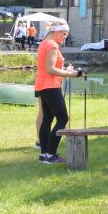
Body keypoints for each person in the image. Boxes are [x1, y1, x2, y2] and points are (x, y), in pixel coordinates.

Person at [35, 19, 83, 164]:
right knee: (63, 118)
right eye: (64, 34)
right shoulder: (52, 45)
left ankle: (44, 155)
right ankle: (51, 155)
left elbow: (48, 67)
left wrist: (65, 70)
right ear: (57, 31)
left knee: (47, 119)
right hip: (50, 85)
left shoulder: (45, 43)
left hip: (42, 84)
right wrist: (71, 74)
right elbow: (50, 69)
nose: (65, 37)